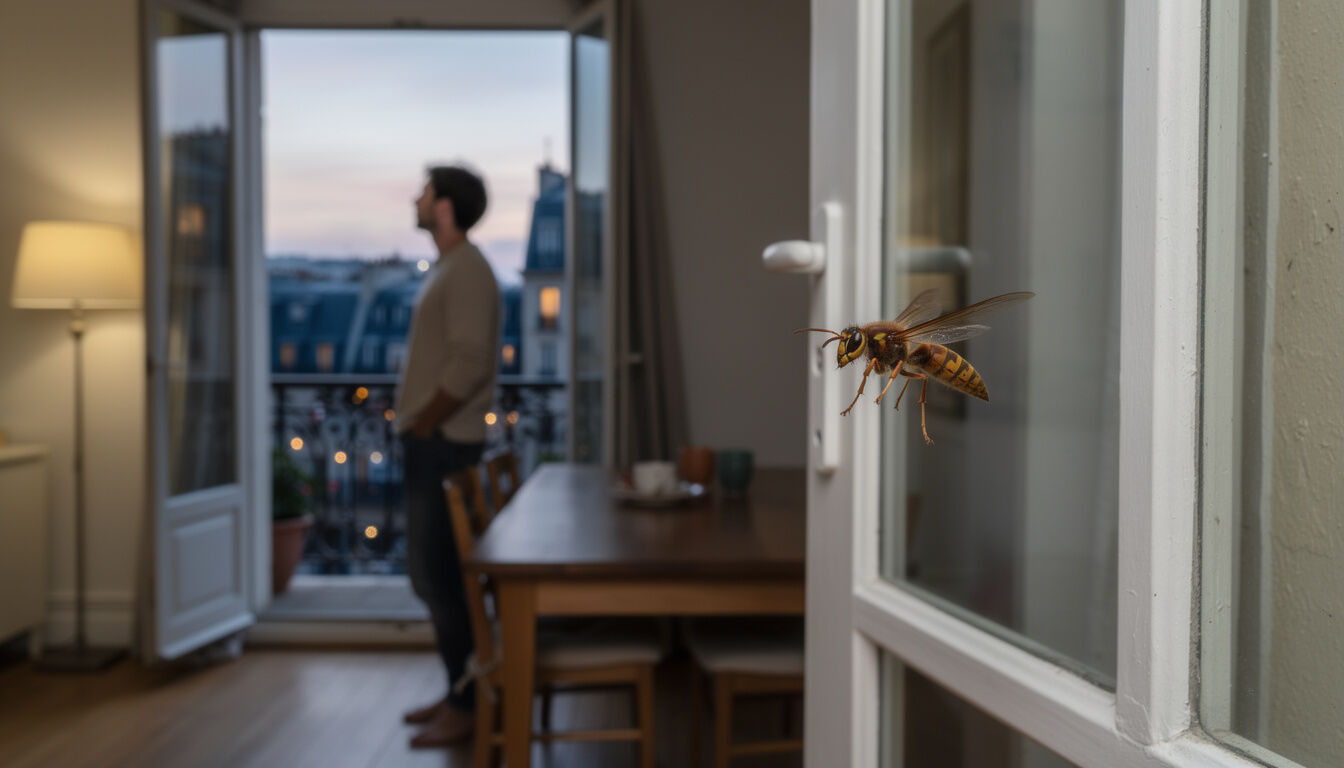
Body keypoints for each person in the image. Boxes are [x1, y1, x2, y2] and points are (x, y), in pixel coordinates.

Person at [396, 164, 499, 747]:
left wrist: (427, 424)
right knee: (433, 576)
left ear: (443, 207)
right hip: (435, 443)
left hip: (443, 446)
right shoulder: (454, 268)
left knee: (440, 577)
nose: (415, 198)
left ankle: (467, 702)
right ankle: (459, 688)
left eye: (424, 191)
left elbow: (468, 361)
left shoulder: (466, 271)